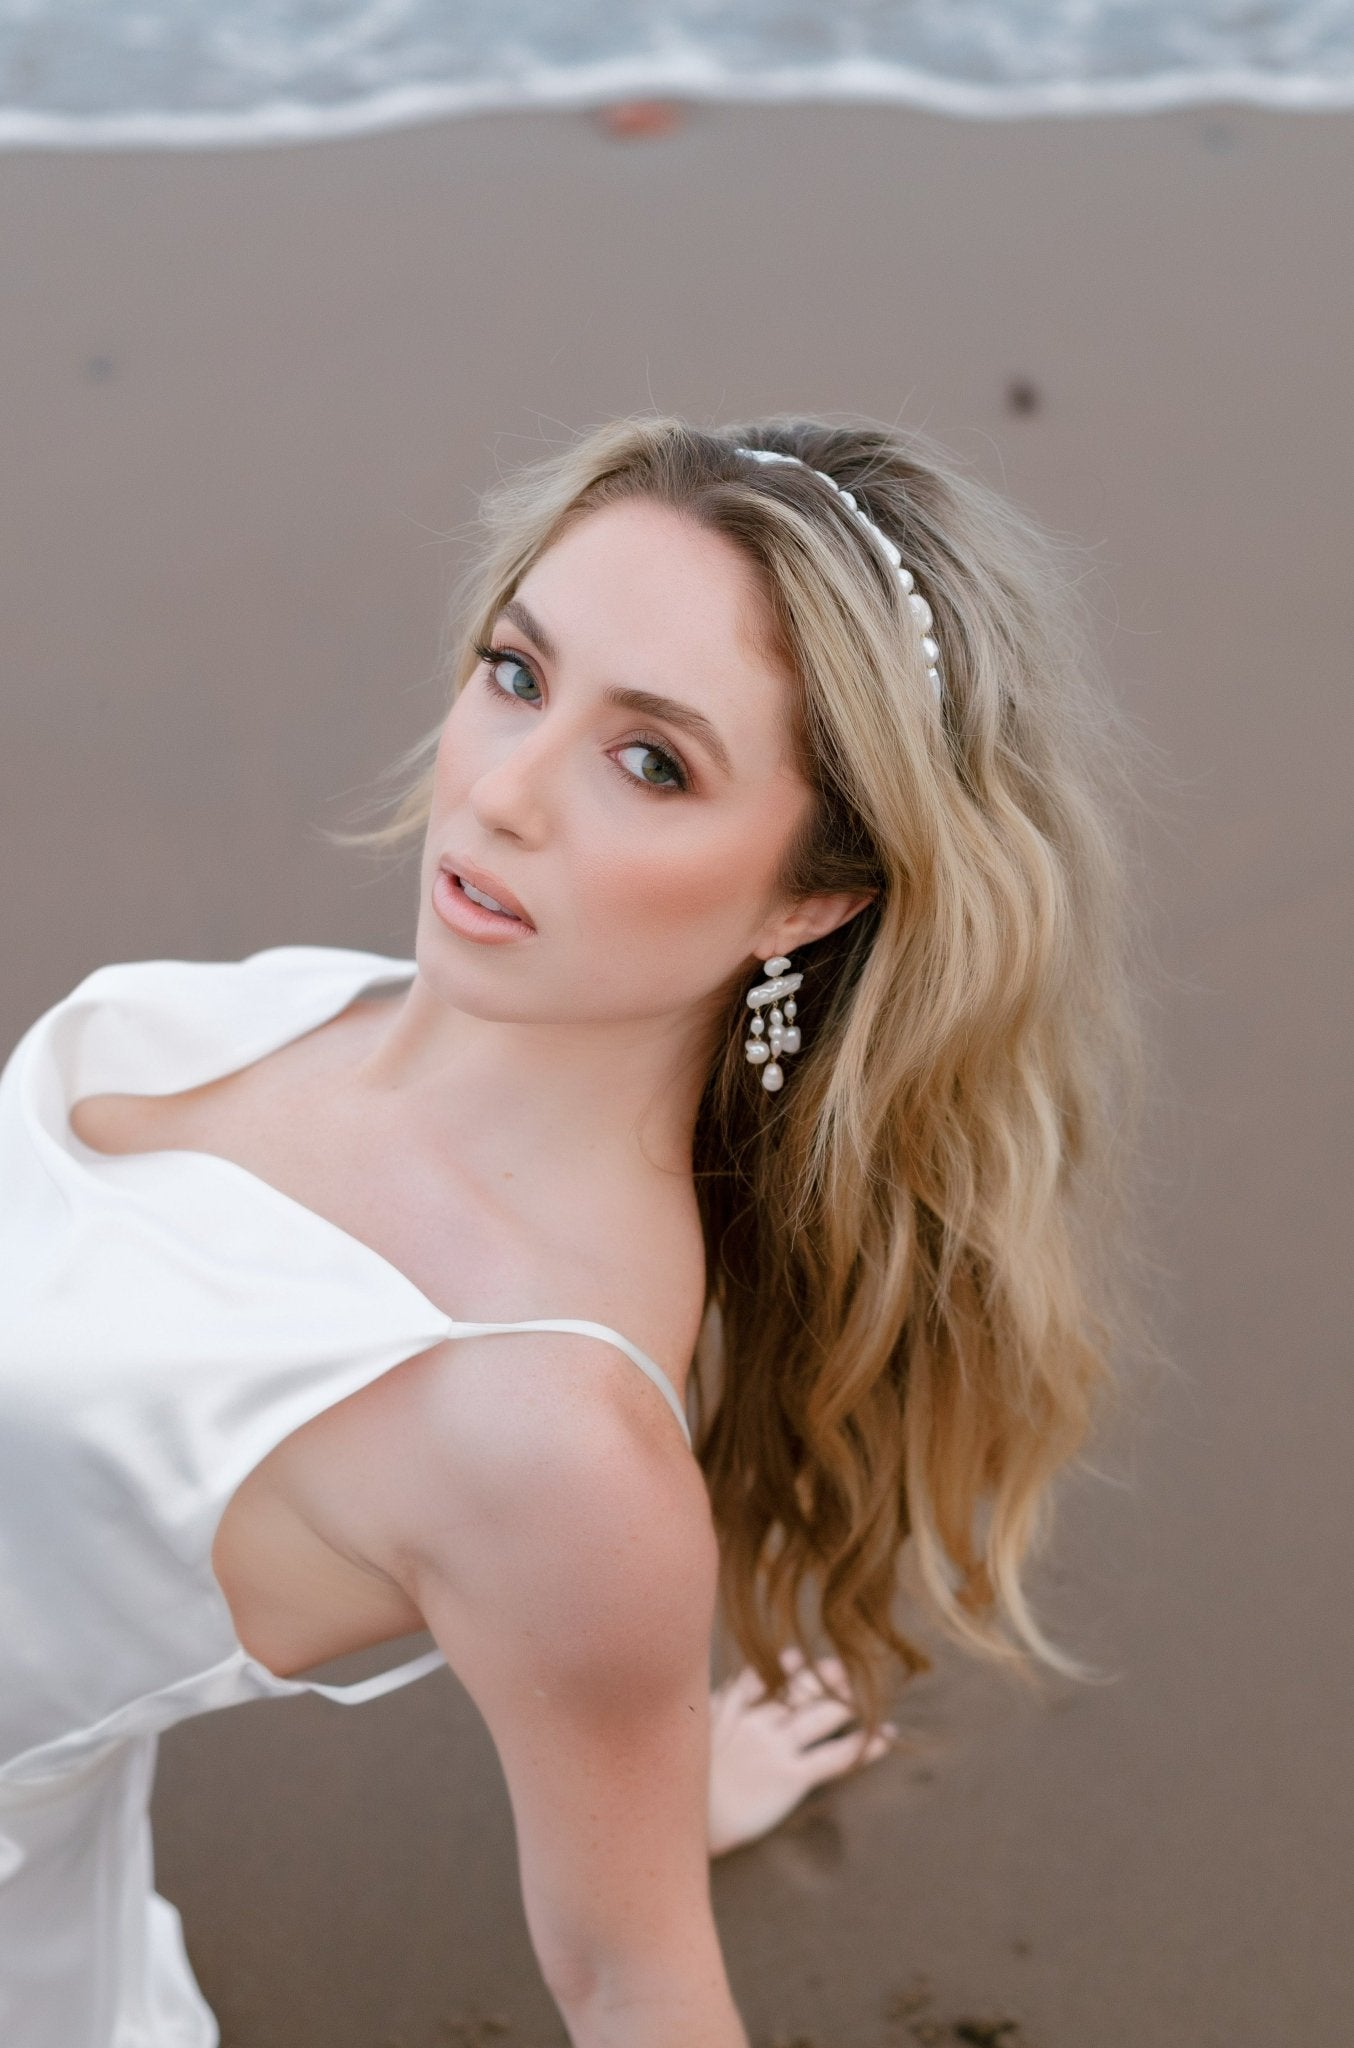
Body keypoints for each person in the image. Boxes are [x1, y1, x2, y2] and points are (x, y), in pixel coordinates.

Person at [0, 413, 1150, 2046]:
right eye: (518, 674)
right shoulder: (342, 1010)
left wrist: (631, 1793)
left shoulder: (545, 1430)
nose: (502, 793)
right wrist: (649, 1757)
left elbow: (633, 1991)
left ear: (807, 902)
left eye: (654, 761)